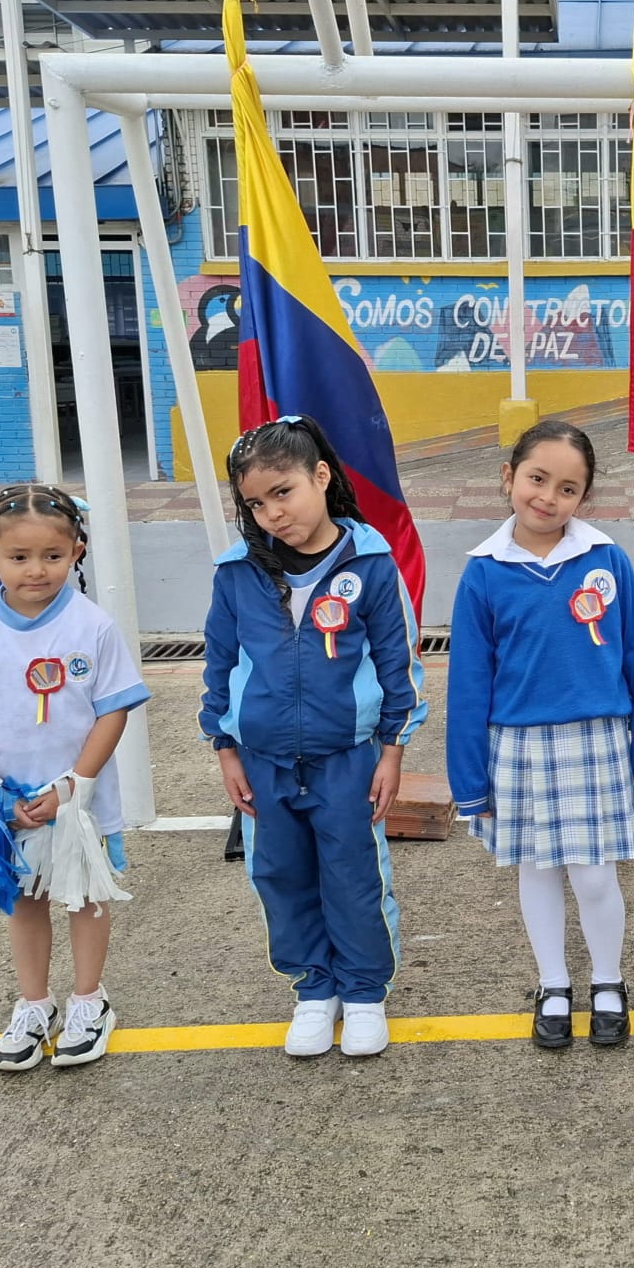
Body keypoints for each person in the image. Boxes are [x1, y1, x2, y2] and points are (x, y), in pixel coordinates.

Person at [200, 415, 426, 1059]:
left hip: (348, 759)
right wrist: (224, 747)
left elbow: (397, 664)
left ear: (321, 477)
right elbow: (218, 664)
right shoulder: (237, 571)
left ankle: (362, 994)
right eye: (255, 502)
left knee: (354, 877)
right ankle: (312, 989)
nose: (272, 513)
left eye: (284, 491)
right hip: (263, 761)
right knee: (280, 875)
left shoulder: (372, 563)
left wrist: (392, 751)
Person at [446, 420, 634, 1050]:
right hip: (516, 747)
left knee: (596, 876)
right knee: (536, 871)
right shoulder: (484, 574)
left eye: (568, 488)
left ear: (584, 496)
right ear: (508, 477)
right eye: (536, 479)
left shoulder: (606, 561)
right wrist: (469, 781)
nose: (547, 497)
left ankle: (607, 981)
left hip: (596, 741)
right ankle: (553, 983)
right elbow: (468, 683)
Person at [0, 484, 150, 1071]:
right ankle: (34, 1004)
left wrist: (74, 784)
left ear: (77, 550)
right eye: (19, 557)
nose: (36, 570)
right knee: (25, 900)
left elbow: (113, 709)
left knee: (86, 893)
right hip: (9, 803)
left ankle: (89, 1000)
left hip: (76, 800)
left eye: (53, 556)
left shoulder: (92, 626)